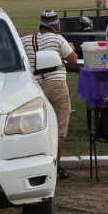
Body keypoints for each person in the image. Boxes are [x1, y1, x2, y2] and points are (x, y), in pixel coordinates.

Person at [23, 10, 79, 178]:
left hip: (33, 87)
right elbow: (73, 60)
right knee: (60, 128)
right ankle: (56, 167)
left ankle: (33, 165)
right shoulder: (58, 39)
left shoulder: (24, 40)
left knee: (34, 127)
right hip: (56, 85)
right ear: (56, 25)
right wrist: (71, 49)